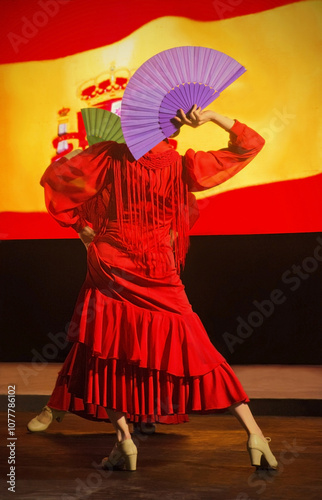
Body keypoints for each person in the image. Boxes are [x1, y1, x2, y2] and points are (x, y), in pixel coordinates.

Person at [28, 105, 278, 472]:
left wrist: (79, 225)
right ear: (172, 127)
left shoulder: (111, 156)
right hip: (159, 266)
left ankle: (125, 442)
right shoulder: (182, 165)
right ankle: (254, 433)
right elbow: (249, 144)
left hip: (112, 263)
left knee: (106, 350)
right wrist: (212, 117)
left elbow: (58, 179)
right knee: (196, 348)